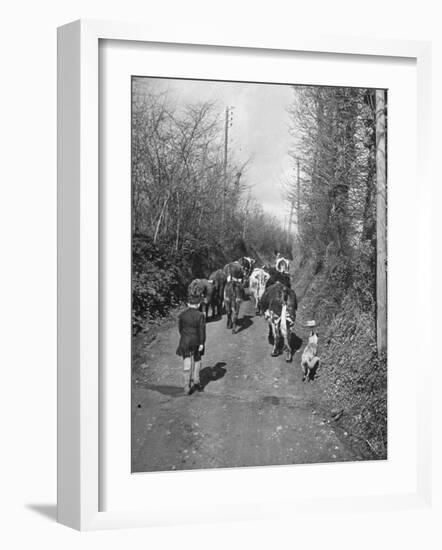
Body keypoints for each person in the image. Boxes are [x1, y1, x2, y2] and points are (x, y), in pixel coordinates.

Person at [176, 288, 206, 395]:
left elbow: (180, 329)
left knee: (186, 362)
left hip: (185, 341)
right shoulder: (200, 315)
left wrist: (184, 337)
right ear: (198, 305)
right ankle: (196, 381)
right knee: (197, 360)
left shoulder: (182, 315)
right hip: (196, 341)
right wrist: (202, 343)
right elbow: (201, 330)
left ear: (188, 304)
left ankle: (186, 387)